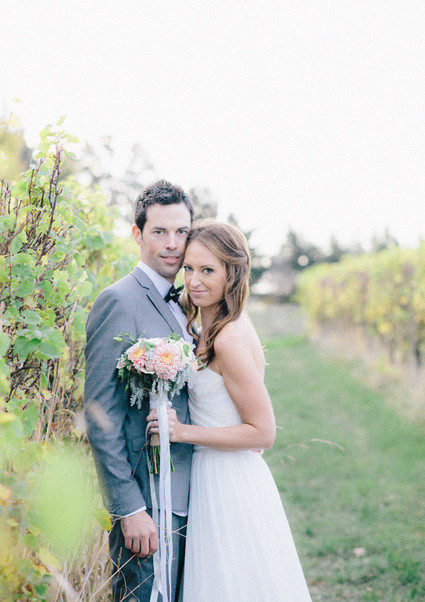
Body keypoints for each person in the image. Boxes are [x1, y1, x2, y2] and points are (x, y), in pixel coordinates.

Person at [148, 221, 312, 601]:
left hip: (229, 481)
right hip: (212, 473)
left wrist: (183, 432)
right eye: (189, 268)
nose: (194, 281)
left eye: (208, 270)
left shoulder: (230, 337)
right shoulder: (202, 327)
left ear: (232, 274)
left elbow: (262, 432)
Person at [84, 180, 194, 602]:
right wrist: (129, 508)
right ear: (137, 234)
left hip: (193, 495)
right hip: (148, 503)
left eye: (181, 232)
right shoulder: (118, 300)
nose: (172, 244)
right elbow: (100, 414)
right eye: (159, 232)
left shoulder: (190, 302)